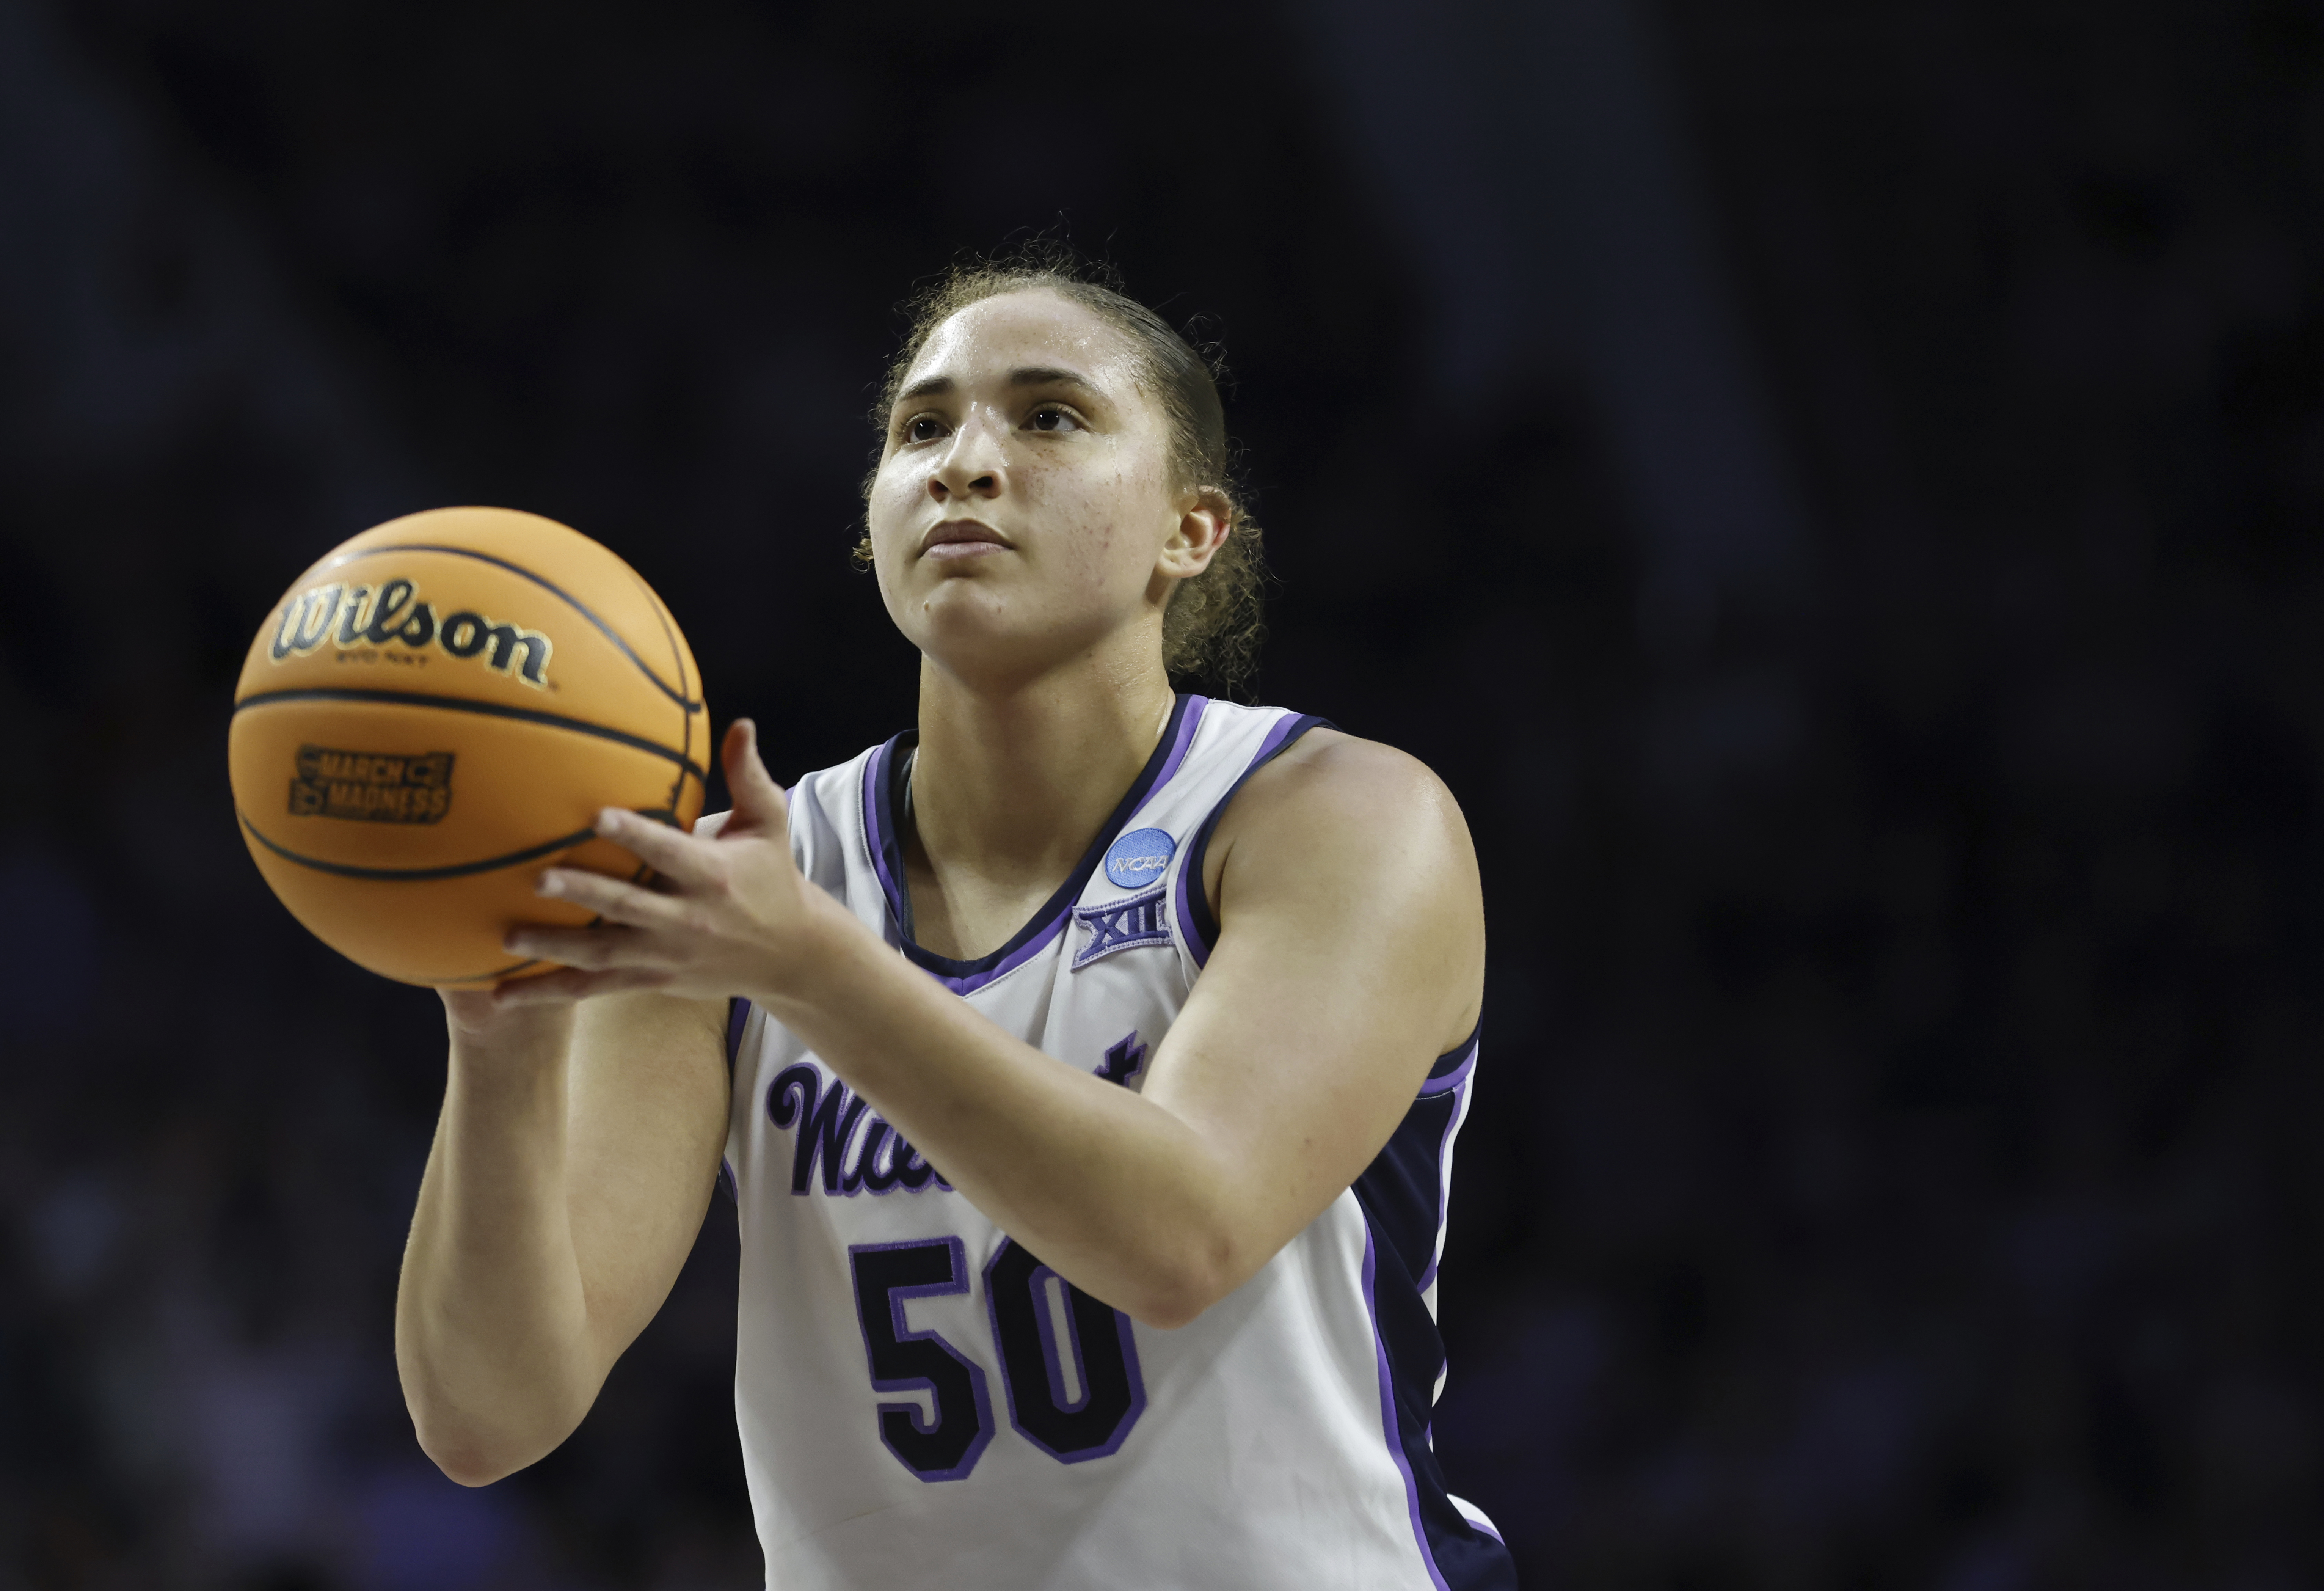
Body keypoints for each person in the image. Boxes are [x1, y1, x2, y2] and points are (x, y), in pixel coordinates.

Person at [394, 255, 1515, 1590]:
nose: (965, 462)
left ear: (1189, 530)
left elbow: (1181, 1239)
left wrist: (812, 967)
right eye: (920, 427)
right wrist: (498, 1038)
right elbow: (487, 1417)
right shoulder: (747, 890)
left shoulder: (1338, 818)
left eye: (1050, 417)